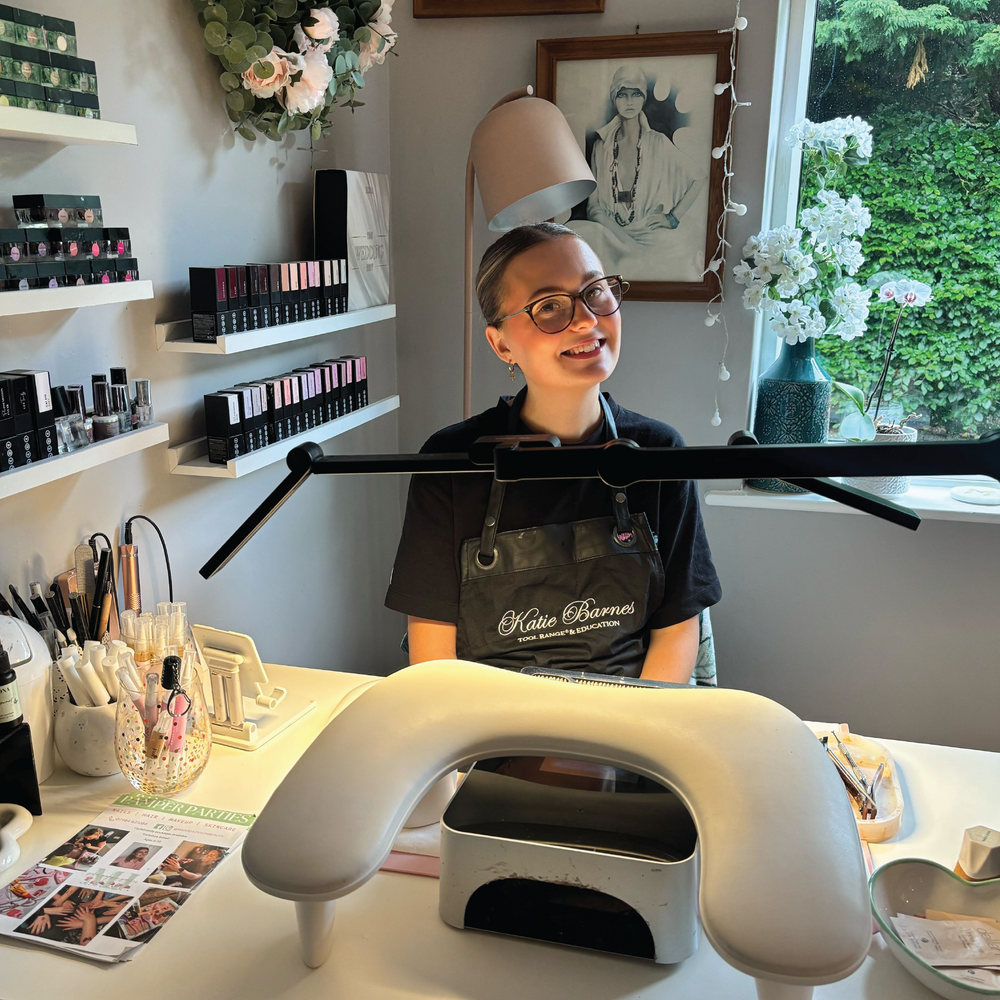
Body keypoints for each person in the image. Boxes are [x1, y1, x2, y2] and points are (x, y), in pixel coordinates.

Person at [386, 223, 720, 681]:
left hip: (628, 728)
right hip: (488, 732)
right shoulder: (451, 460)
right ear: (502, 343)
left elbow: (677, 630)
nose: (586, 319)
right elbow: (433, 661)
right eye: (548, 307)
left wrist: (615, 746)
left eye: (595, 292)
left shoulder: (657, 453)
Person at [570, 64, 707, 281]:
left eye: (636, 94)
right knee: (575, 235)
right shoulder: (601, 147)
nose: (629, 101)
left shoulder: (658, 143)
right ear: (614, 99)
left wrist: (673, 217)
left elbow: (699, 176)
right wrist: (624, 239)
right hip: (610, 231)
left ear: (643, 98)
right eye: (622, 94)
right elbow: (594, 208)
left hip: (651, 234)